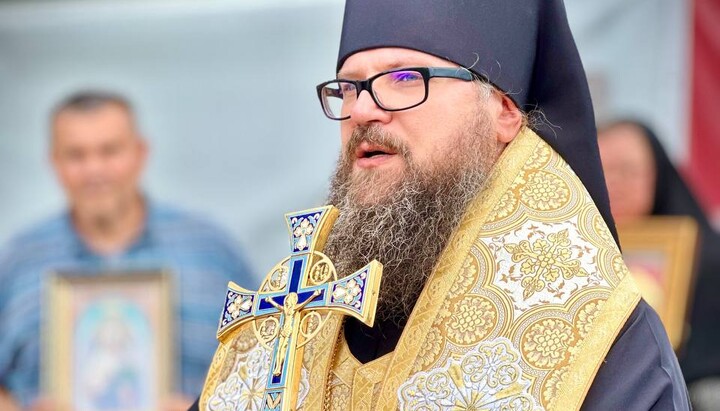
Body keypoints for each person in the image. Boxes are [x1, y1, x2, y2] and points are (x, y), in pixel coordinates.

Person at [191, 1, 689, 409]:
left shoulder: (602, 342)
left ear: (504, 111)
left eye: (405, 79)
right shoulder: (293, 311)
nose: (362, 109)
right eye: (349, 86)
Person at [0, 91, 253, 411]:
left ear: (140, 153)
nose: (94, 169)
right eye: (76, 155)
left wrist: (203, 407)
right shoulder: (16, 262)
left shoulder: (213, 252)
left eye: (110, 151)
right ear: (54, 162)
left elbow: (263, 364)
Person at [598, 119, 720, 410]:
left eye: (627, 170)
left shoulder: (709, 264)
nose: (614, 182)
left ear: (658, 174)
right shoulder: (568, 258)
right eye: (602, 172)